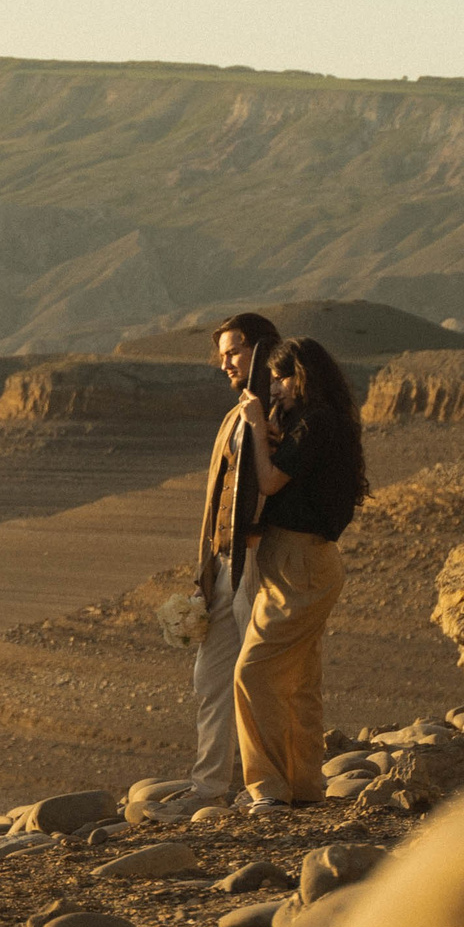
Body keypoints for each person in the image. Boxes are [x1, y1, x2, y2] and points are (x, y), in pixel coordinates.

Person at [234, 337, 369, 806]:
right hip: (299, 564)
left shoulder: (317, 423)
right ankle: (303, 786)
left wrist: (254, 425)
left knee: (253, 673)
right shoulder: (314, 423)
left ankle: (268, 788)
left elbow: (271, 480)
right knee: (297, 679)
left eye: (280, 379)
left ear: (301, 375)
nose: (275, 389)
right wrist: (270, 427)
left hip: (300, 566)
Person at [189, 311, 284, 803]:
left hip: (261, 562)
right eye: (221, 354)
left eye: (233, 352)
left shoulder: (284, 408)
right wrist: (204, 571)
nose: (224, 363)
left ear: (260, 350)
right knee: (210, 680)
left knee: (256, 677)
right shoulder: (237, 412)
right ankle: (207, 787)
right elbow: (218, 494)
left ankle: (265, 784)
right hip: (224, 565)